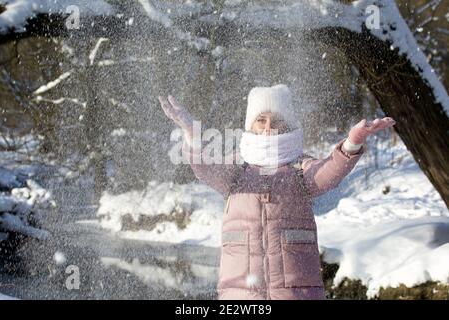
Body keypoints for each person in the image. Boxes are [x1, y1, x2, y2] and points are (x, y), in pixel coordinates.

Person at [158, 84, 396, 300]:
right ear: (251, 125)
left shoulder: (300, 167)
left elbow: (328, 172)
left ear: (288, 125)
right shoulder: (236, 169)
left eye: (276, 120)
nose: (269, 127)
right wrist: (191, 133)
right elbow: (205, 168)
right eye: (261, 119)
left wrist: (352, 143)